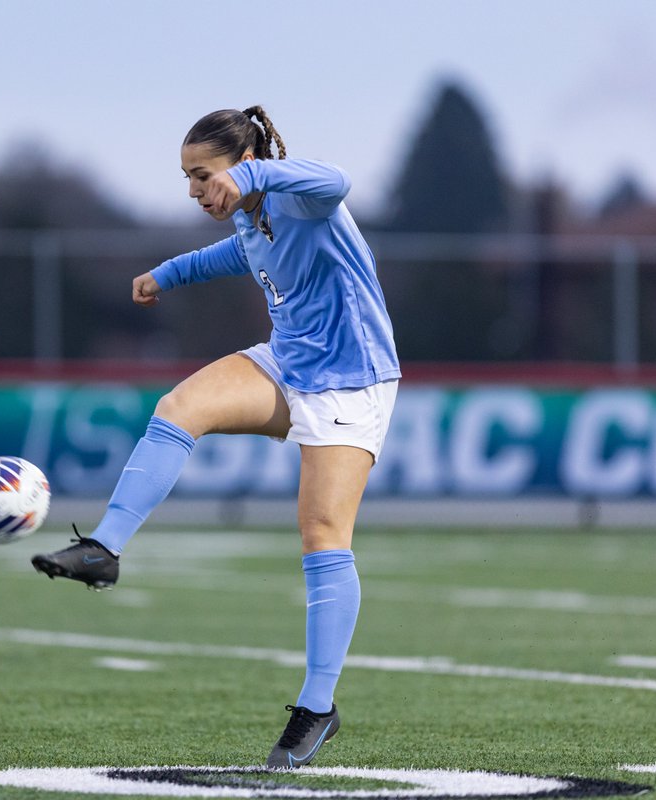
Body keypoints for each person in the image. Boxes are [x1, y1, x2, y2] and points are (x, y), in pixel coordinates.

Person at [32, 107, 400, 768]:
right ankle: (104, 548)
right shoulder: (248, 217)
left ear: (244, 161)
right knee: (180, 407)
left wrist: (256, 171)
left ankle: (318, 707)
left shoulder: (297, 196)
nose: (196, 191)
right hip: (288, 363)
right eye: (188, 180)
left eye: (203, 176)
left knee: (322, 535)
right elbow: (235, 252)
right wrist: (166, 275)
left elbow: (338, 180)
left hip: (351, 381)